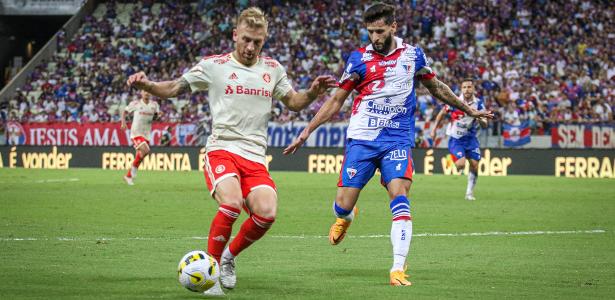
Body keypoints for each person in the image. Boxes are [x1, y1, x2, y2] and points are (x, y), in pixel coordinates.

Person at [126, 7, 336, 295]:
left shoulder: (272, 69)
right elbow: (175, 87)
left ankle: (227, 258)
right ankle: (210, 273)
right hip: (222, 149)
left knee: (267, 213)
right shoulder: (214, 66)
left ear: (264, 40)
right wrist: (147, 84)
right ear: (235, 35)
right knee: (232, 203)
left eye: (257, 42)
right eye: (246, 39)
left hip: (254, 156)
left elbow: (294, 102)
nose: (251, 47)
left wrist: (312, 93)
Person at [283, 3, 492, 286]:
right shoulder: (358, 59)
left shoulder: (413, 55)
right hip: (362, 140)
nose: (375, 37)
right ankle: (346, 217)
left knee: (400, 195)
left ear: (393, 27)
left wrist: (469, 109)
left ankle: (397, 268)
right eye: (370, 31)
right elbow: (336, 101)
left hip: (397, 140)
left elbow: (437, 87)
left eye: (380, 31)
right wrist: (306, 131)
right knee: (342, 205)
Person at [430, 78, 488, 200]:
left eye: (469, 87)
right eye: (464, 87)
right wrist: (434, 129)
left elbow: (485, 124)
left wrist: (481, 120)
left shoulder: (479, 104)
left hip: (471, 138)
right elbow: (442, 114)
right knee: (460, 165)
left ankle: (469, 193)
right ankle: (455, 158)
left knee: (475, 165)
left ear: (473, 89)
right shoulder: (454, 101)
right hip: (456, 138)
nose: (467, 90)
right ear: (461, 89)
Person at [121, 90, 159, 185]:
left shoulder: (154, 105)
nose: (147, 93)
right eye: (144, 92)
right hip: (136, 133)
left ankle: (128, 176)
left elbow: (155, 117)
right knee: (146, 150)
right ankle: (134, 170)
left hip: (146, 134)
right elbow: (125, 112)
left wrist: (158, 116)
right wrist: (123, 122)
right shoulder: (136, 103)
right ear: (141, 93)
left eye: (148, 92)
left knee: (141, 155)